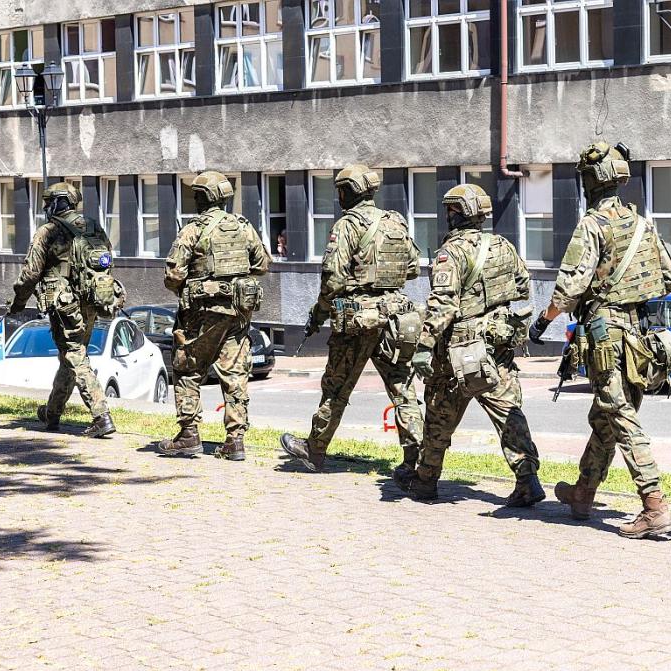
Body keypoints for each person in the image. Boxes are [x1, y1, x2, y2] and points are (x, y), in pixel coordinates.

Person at [529, 141, 671, 539]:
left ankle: (654, 505)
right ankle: (583, 493)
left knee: (621, 418)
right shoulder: (643, 224)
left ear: (591, 182)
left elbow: (568, 289)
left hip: (606, 336)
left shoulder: (592, 225)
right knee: (605, 418)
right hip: (641, 337)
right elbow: (669, 279)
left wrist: (543, 322)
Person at [394, 184, 543, 507]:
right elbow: (522, 285)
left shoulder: (451, 253)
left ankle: (425, 481)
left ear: (457, 213)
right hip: (497, 344)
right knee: (508, 414)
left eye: (449, 210)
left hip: (458, 352)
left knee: (439, 415)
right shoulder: (502, 245)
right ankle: (527, 479)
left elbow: (444, 304)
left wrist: (424, 345)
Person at [280, 165, 424, 473]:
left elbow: (332, 280)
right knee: (402, 387)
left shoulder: (347, 225)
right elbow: (413, 268)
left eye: (340, 190)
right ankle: (419, 460)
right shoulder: (395, 222)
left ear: (348, 191)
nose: (338, 196)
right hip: (395, 317)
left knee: (336, 387)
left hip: (357, 320)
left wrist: (320, 312)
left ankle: (314, 450)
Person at [158, 171, 271, 460]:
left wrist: (195, 285)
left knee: (186, 367)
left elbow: (173, 276)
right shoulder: (243, 227)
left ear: (203, 198)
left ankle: (189, 435)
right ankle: (235, 441)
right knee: (235, 374)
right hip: (238, 313)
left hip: (202, 315)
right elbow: (262, 264)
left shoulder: (193, 230)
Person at [8, 181, 121, 438]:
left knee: (74, 354)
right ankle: (52, 413)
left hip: (64, 305)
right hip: (91, 302)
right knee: (69, 357)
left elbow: (30, 274)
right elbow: (108, 260)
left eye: (49, 202)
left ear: (60, 202)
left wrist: (18, 303)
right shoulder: (92, 226)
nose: (46, 207)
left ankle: (101, 414)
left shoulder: (48, 232)